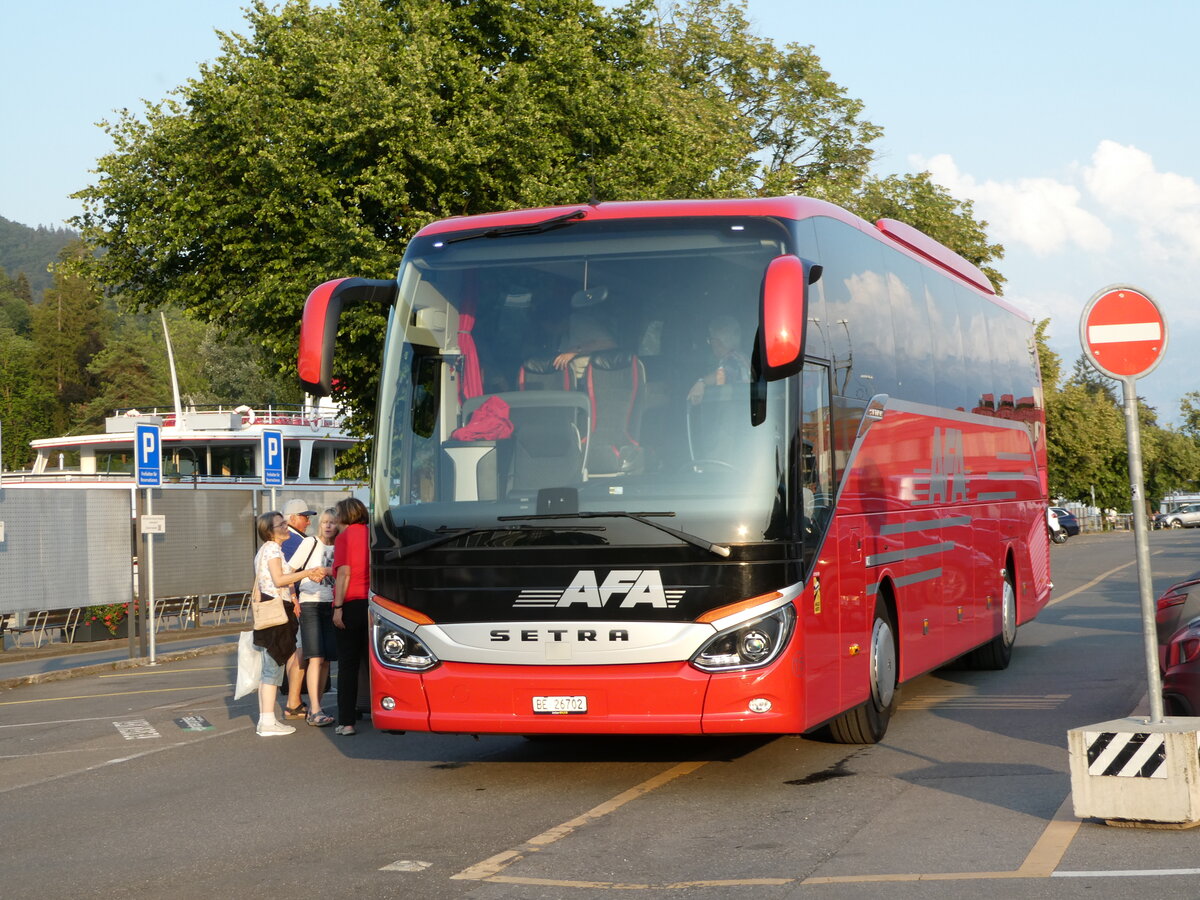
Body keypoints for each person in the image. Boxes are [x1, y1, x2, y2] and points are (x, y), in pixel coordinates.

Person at [252, 511, 327, 737]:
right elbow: (280, 580)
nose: (286, 526)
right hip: (276, 609)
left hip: (271, 607)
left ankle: (267, 719)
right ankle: (267, 721)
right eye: (280, 524)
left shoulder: (265, 550)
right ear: (269, 530)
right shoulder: (273, 549)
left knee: (271, 666)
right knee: (273, 668)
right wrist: (308, 572)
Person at [288, 508, 338, 727]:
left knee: (326, 659)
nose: (327, 525)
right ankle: (315, 709)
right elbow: (290, 570)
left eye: (332, 522)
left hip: (332, 604)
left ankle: (317, 705)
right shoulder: (310, 543)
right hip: (310, 603)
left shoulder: (340, 546)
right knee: (315, 657)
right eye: (325, 522)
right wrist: (293, 597)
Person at [331, 496, 371, 736]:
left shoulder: (344, 537)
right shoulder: (370, 533)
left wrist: (337, 608)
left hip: (351, 604)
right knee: (375, 662)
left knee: (348, 665)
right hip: (374, 603)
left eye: (337, 513)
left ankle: (347, 721)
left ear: (345, 514)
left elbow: (344, 573)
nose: (335, 518)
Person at [687, 315, 751, 405]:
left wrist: (701, 383)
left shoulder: (734, 358)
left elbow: (723, 372)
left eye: (714, 342)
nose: (715, 347)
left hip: (739, 409)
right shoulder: (741, 358)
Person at [552, 287, 617, 374]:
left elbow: (609, 343)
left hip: (591, 380)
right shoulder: (564, 336)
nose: (549, 329)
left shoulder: (578, 322)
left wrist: (576, 350)